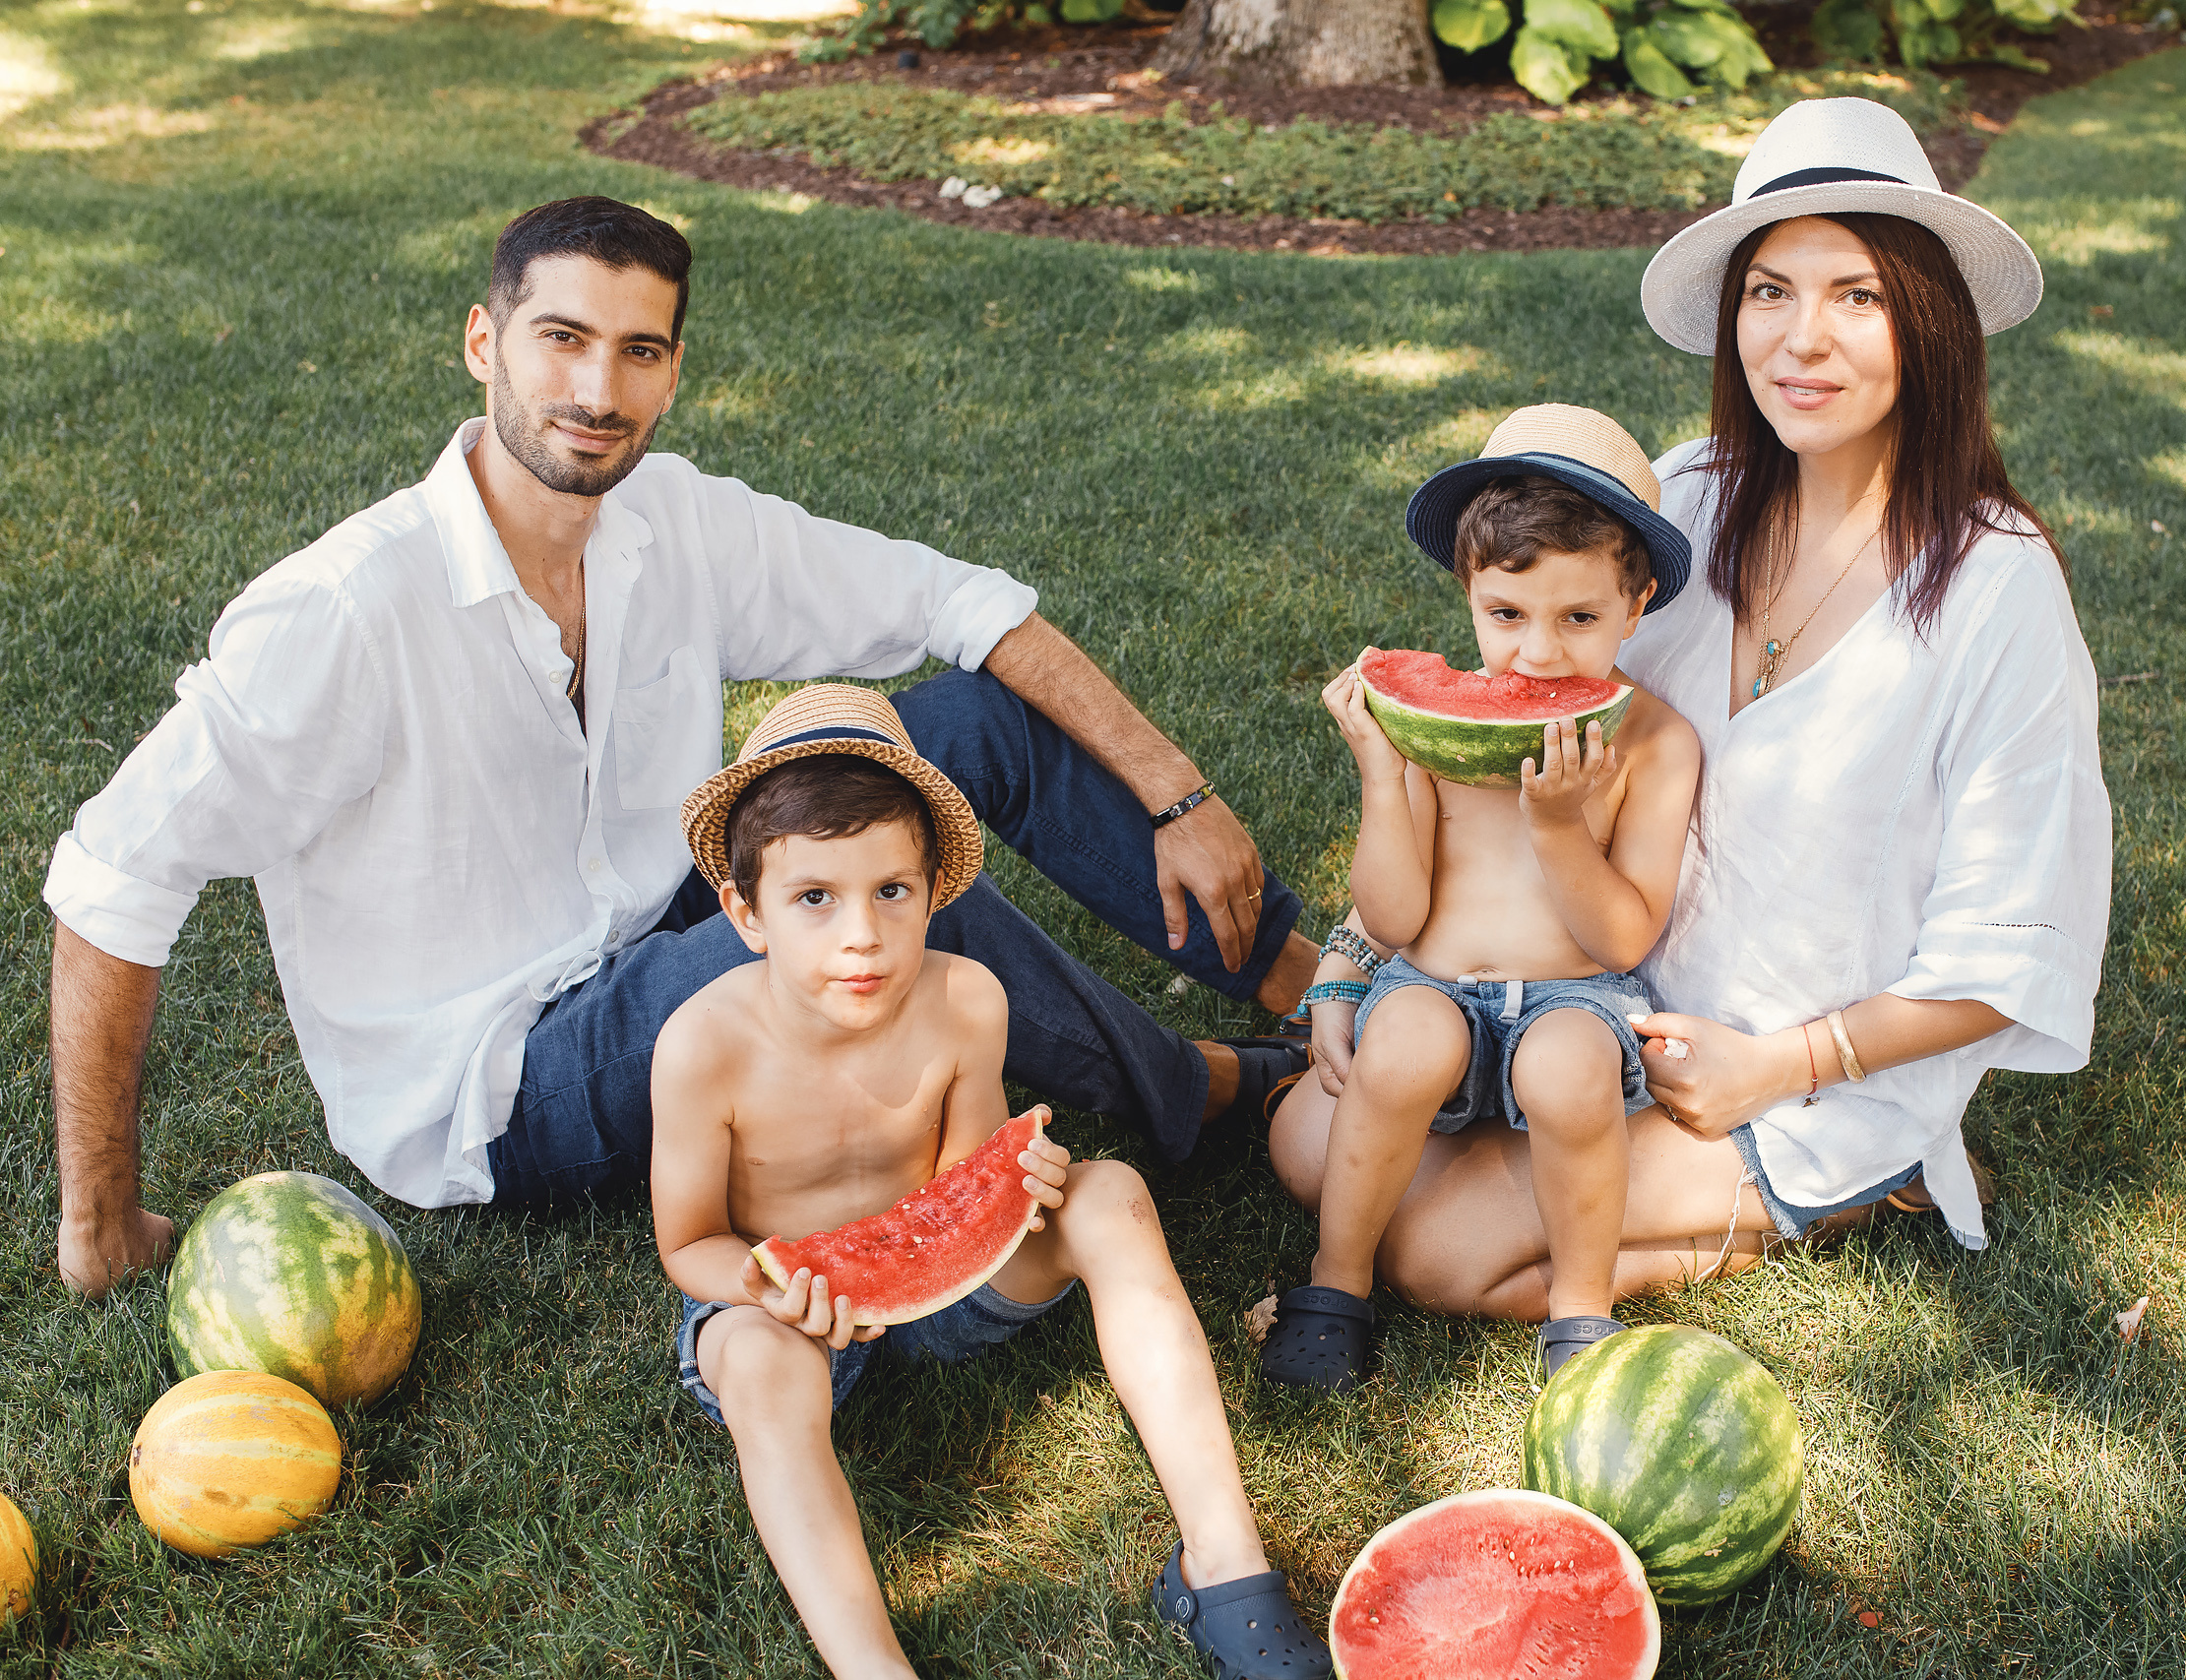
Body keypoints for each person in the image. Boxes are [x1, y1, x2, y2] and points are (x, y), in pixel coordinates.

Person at [45, 195, 1311, 1296]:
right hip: (498, 1083)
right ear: (482, 341)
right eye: (561, 340)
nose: (597, 392)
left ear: (671, 368)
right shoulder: (344, 611)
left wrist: (1175, 790)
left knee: (973, 727)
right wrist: (102, 1224)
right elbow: (114, 878)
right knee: (886, 905)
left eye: (635, 351)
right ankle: (1206, 1093)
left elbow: (957, 602)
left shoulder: (673, 520)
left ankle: (1327, 995)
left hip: (658, 935)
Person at [1269, 97, 2111, 1314]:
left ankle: (1871, 1178)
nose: (1801, 341)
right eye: (1769, 292)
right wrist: (1356, 970)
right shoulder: (1688, 501)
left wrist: (1778, 1065)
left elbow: (2009, 954)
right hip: (1590, 1005)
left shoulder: (1997, 590)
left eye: (1856, 296)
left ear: (1927, 324)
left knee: (1433, 1251)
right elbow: (1508, 735)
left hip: (1794, 1070)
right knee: (1306, 1142)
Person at [652, 685, 1328, 1680]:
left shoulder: (966, 999)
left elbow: (962, 1190)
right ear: (745, 915)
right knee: (754, 1360)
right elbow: (689, 1244)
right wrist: (771, 1289)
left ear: (935, 892)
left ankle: (1224, 1567)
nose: (862, 936)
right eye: (814, 899)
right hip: (789, 1313)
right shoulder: (700, 1047)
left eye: (893, 891)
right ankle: (873, 1668)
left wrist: (1021, 1186)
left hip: (952, 1296)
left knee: (1110, 1194)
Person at [1257, 405, 1700, 1392]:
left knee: (1571, 1070)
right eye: (1506, 616)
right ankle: (1336, 1283)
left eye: (1578, 619)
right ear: (1467, 595)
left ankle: (1581, 1312)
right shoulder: (1429, 732)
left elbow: (1624, 934)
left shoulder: (1657, 747)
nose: (1537, 657)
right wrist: (1382, 770)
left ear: (1637, 608)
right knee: (1407, 1040)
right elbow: (1393, 918)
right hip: (1433, 984)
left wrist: (1557, 826)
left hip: (1576, 996)